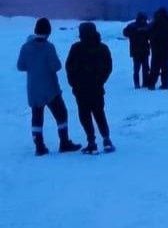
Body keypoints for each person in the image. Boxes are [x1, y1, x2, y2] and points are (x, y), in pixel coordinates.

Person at [17, 17, 81, 156]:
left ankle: (39, 146)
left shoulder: (25, 47)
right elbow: (56, 66)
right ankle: (64, 142)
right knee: (61, 114)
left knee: (37, 117)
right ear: (48, 31)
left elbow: (20, 66)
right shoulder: (48, 47)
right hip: (50, 89)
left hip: (33, 89)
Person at [66, 22, 114, 154]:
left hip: (81, 89)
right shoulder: (102, 48)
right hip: (97, 88)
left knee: (85, 115)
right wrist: (101, 81)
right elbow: (108, 67)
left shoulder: (76, 48)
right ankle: (106, 140)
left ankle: (91, 142)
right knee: (99, 113)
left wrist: (74, 84)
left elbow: (69, 68)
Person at [123, 12, 150, 88]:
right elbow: (151, 35)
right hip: (144, 49)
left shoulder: (132, 26)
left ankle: (137, 84)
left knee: (137, 69)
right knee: (144, 68)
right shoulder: (146, 26)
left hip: (135, 50)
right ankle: (145, 83)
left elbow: (125, 33)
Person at [148, 7, 168, 90]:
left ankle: (152, 84)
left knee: (155, 66)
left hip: (156, 46)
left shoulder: (154, 23)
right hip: (167, 46)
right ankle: (165, 84)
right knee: (165, 66)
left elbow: (148, 32)